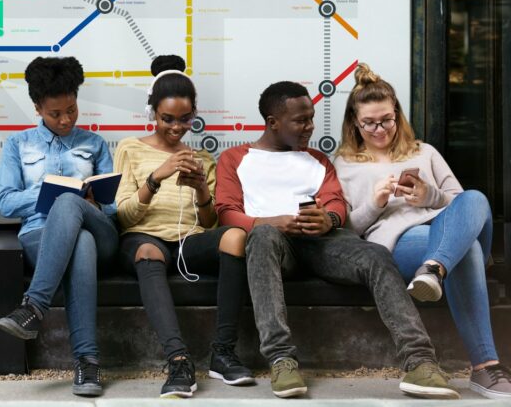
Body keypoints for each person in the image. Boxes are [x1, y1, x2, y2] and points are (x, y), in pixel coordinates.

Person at [216, 80, 458, 400]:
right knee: (260, 237)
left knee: (375, 255)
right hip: (273, 243)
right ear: (272, 123)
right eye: (301, 120)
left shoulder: (319, 159)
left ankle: (420, 362)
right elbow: (227, 212)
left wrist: (326, 219)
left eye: (312, 118)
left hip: (322, 242)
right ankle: (281, 359)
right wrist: (270, 221)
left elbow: (336, 205)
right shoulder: (234, 158)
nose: (310, 127)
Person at [335, 63, 510, 399]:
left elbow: (465, 206)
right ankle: (485, 368)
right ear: (355, 123)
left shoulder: (424, 151)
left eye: (386, 119)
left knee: (476, 197)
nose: (379, 129)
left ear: (397, 114)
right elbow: (347, 231)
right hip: (399, 242)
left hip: (445, 230)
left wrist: (429, 195)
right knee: (468, 251)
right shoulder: (344, 164)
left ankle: (434, 268)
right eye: (368, 123)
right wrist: (376, 203)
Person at [114, 54, 252, 398]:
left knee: (235, 236)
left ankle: (223, 353)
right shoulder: (129, 149)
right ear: (152, 114)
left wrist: (203, 191)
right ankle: (178, 360)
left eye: (185, 119)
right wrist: (156, 177)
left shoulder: (202, 158)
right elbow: (124, 216)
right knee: (148, 250)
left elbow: (210, 224)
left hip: (189, 242)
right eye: (167, 119)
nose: (176, 127)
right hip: (144, 239)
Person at [0, 56, 118, 398]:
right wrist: (52, 187)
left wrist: (85, 199)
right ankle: (87, 362)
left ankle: (33, 307)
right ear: (37, 108)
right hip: (41, 235)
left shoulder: (94, 143)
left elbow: (113, 209)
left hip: (101, 232)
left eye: (72, 110)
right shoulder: (17, 145)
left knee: (72, 210)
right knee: (79, 243)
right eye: (55, 113)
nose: (65, 120)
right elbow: (6, 203)